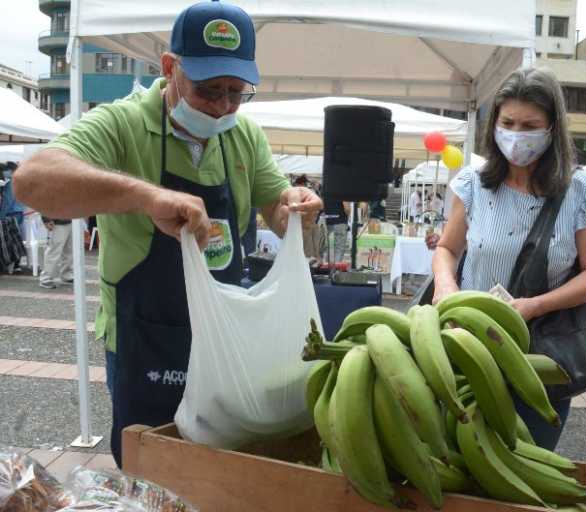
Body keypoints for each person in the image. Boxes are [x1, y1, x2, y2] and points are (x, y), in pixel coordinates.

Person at [13, 1, 321, 466]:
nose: (222, 106)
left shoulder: (245, 137)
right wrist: (145, 197)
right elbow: (32, 180)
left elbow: (278, 210)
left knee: (226, 465)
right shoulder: (123, 123)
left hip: (222, 338)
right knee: (151, 468)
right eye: (208, 90)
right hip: (145, 337)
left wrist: (296, 210)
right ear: (170, 68)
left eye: (237, 92)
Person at [431, 67, 586, 451]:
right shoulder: (474, 185)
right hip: (465, 350)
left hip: (540, 358)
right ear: (494, 123)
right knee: (460, 459)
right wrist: (446, 284)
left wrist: (533, 306)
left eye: (530, 125)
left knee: (523, 465)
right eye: (508, 122)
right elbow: (447, 249)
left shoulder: (580, 192)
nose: (516, 134)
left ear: (552, 129)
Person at [39, 216, 73, 288]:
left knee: (69, 251)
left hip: (70, 220)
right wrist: (46, 219)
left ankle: (66, 274)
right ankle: (45, 278)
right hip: (57, 222)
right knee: (54, 252)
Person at [323, 198, 350, 263]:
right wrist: (348, 215)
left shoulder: (326, 189)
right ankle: (336, 268)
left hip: (328, 221)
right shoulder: (342, 191)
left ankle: (328, 268)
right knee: (339, 248)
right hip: (340, 221)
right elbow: (347, 208)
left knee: (329, 248)